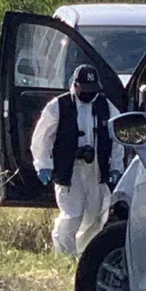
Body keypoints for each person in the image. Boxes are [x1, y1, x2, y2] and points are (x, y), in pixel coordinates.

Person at [30, 64, 124, 256]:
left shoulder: (105, 105)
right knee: (72, 214)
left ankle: (85, 254)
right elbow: (41, 138)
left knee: (95, 215)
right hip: (70, 170)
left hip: (96, 170)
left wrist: (116, 166)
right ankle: (64, 253)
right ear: (76, 85)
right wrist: (43, 165)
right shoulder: (58, 105)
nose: (89, 94)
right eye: (85, 89)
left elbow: (117, 138)